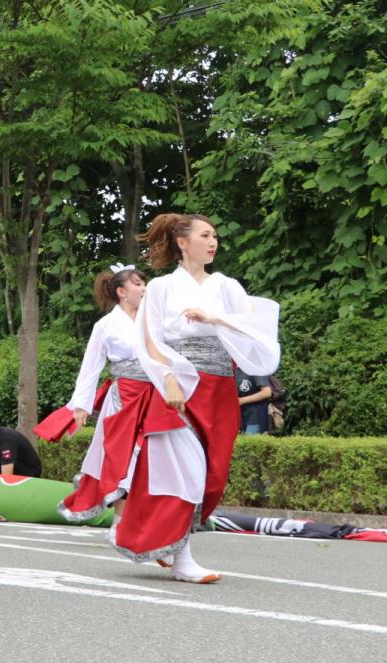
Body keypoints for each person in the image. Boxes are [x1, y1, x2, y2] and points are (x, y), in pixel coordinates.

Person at [130, 213, 280, 583]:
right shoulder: (162, 288)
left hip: (219, 388)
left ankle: (168, 541)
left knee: (213, 476)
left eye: (215, 236)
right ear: (183, 242)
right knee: (185, 470)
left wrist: (214, 318)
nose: (213, 242)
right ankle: (183, 558)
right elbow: (149, 338)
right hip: (181, 384)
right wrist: (167, 379)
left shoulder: (227, 286)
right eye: (205, 235)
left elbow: (257, 327)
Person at [33, 265, 151, 533]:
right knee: (123, 459)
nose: (144, 288)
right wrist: (81, 406)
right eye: (138, 284)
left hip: (154, 396)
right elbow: (91, 367)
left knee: (151, 458)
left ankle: (145, 525)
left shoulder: (154, 320)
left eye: (145, 283)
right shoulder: (105, 325)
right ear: (121, 292)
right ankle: (120, 525)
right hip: (124, 399)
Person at [235, 369, 272, 435]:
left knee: (250, 440)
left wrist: (241, 400)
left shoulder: (256, 369)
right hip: (241, 417)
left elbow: (267, 392)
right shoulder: (236, 371)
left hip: (256, 417)